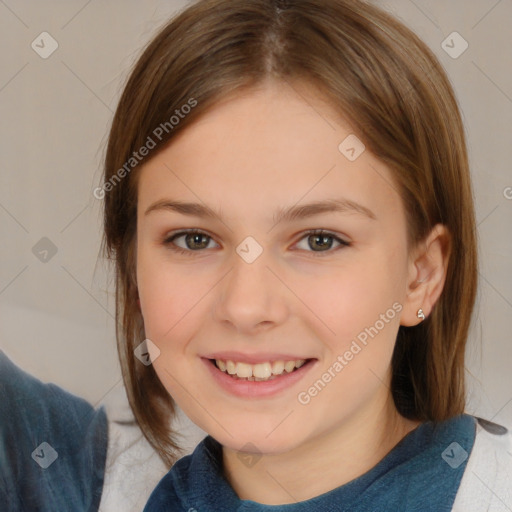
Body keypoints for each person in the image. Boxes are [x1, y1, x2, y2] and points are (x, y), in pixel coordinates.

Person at [96, 0, 512, 510]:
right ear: (133, 265)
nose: (246, 307)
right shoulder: (85, 484)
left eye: (319, 240)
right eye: (194, 239)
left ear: (420, 275)